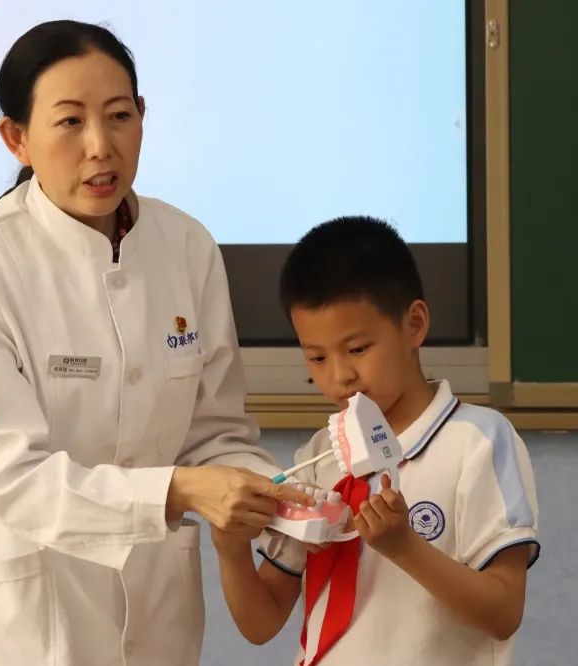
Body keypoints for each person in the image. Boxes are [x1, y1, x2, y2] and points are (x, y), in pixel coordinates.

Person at [0, 20, 311, 666]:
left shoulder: (187, 246)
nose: (100, 147)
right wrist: (178, 491)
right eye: (69, 122)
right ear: (16, 138)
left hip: (153, 608)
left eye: (119, 116)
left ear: (142, 114)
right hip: (9, 617)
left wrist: (290, 494)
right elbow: (14, 478)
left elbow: (214, 435)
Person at [214, 216, 541, 665]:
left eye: (357, 350)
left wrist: (404, 547)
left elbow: (503, 612)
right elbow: (261, 623)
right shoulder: (318, 457)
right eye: (317, 357)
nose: (340, 376)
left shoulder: (478, 442)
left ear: (414, 324)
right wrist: (229, 548)